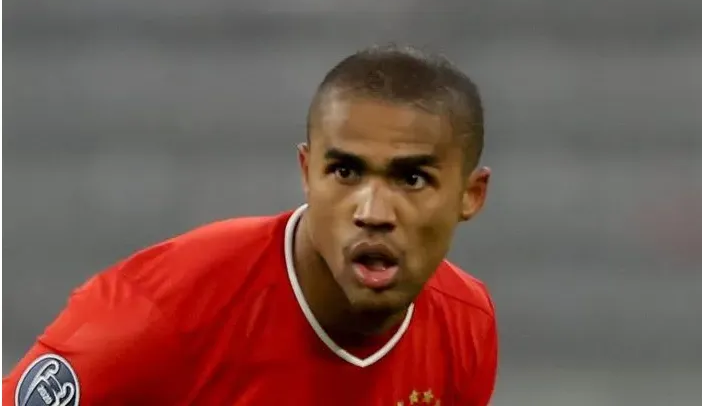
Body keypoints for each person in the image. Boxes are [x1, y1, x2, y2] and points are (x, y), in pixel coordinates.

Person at [4, 44, 497, 405]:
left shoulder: (465, 324)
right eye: (344, 171)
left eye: (411, 178)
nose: (372, 211)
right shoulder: (160, 315)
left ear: (469, 195)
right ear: (307, 173)